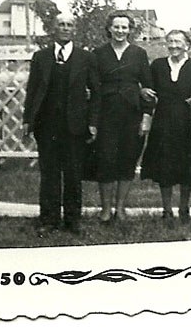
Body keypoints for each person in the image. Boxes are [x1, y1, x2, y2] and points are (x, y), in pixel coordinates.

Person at [23, 14, 99, 235]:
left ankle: (72, 221)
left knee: (74, 175)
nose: (65, 28)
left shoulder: (86, 58)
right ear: (54, 29)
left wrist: (93, 122)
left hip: (75, 126)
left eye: (69, 25)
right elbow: (32, 91)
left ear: (74, 29)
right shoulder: (41, 57)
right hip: (46, 127)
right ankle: (48, 219)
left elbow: (96, 93)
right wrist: (27, 120)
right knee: (49, 174)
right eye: (61, 25)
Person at [92, 12, 153, 223]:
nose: (120, 31)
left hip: (132, 115)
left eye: (124, 28)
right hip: (105, 115)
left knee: (127, 159)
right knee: (106, 160)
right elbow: (92, 86)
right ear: (109, 28)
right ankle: (106, 209)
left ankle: (120, 208)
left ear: (130, 30)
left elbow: (148, 88)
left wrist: (146, 116)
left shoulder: (139, 53)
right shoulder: (98, 53)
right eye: (116, 27)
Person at [140, 30, 191, 223]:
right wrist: (143, 92)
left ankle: (184, 208)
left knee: (188, 167)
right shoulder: (158, 65)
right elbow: (149, 91)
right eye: (170, 41)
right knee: (164, 167)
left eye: (178, 42)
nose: (174, 45)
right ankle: (166, 210)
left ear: (187, 45)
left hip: (187, 122)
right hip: (163, 122)